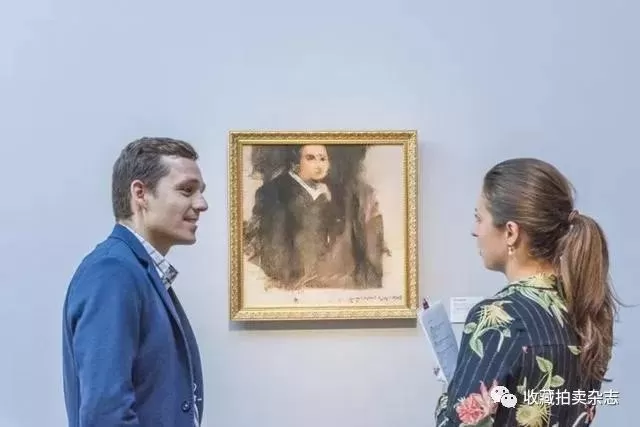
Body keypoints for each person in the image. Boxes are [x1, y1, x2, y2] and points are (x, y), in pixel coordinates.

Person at [434, 158, 618, 426]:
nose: (475, 231)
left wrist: (451, 389)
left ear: (511, 232)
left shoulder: (498, 318)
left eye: (479, 218)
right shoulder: (587, 311)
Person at [62, 137, 208, 427]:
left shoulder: (137, 270)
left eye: (200, 192)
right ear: (140, 193)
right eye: (186, 190)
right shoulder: (112, 272)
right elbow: (106, 415)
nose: (201, 204)